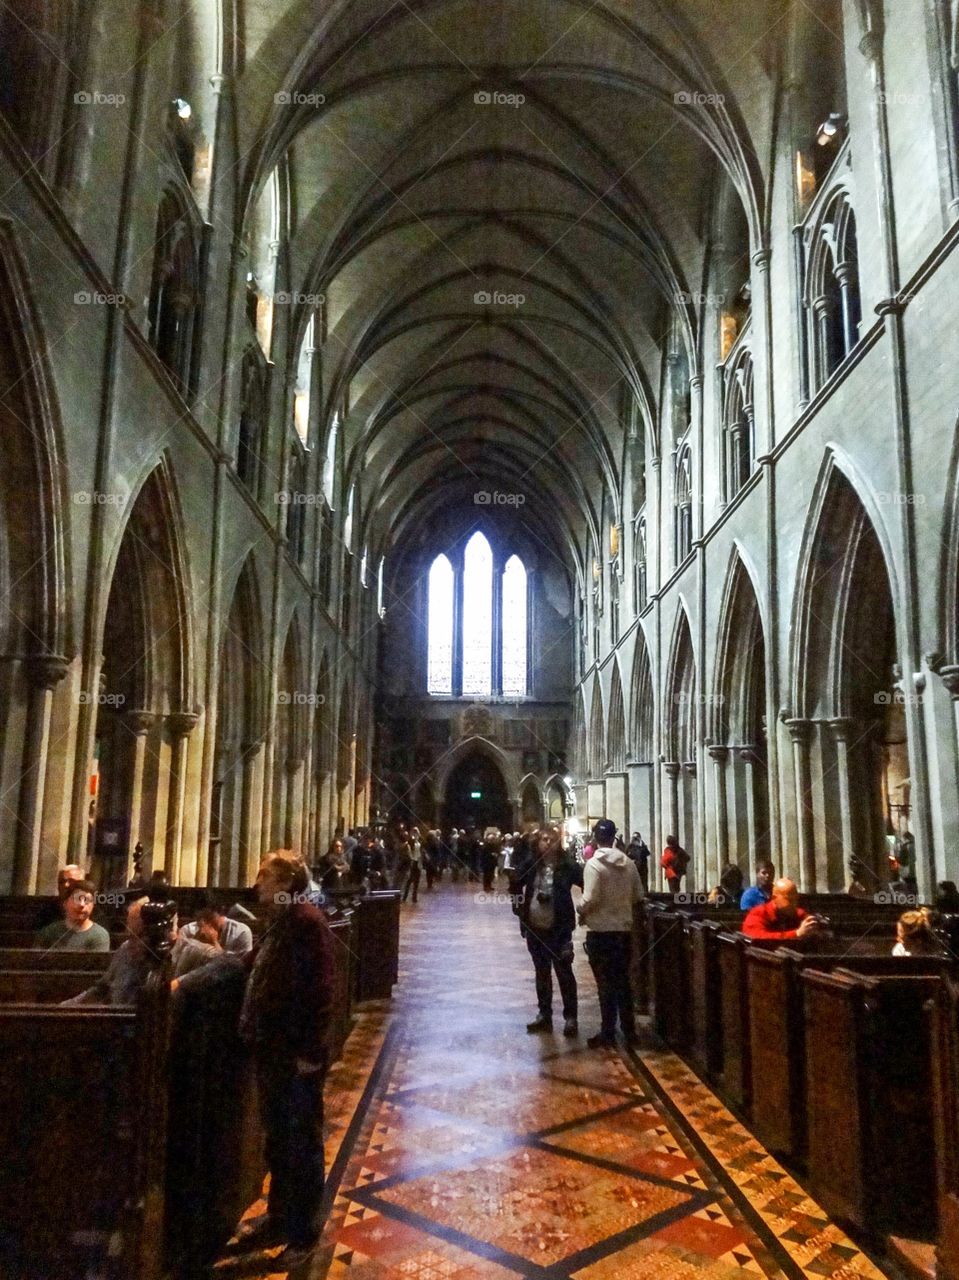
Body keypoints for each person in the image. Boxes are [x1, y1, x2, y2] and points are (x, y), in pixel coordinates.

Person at [236, 851, 335, 1268]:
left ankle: (304, 1232)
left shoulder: (307, 923)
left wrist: (310, 1053)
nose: (257, 884)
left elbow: (322, 992)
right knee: (278, 1138)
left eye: (265, 877)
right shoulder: (282, 920)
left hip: (298, 1056)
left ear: (286, 884)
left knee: (303, 1142)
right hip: (275, 1050)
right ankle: (278, 1218)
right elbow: (256, 963)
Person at [65, 897, 221, 1004]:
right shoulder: (125, 950)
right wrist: (64, 1008)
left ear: (168, 934)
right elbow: (101, 989)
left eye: (137, 936)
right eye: (129, 934)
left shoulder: (193, 953)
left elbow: (231, 965)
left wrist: (179, 984)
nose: (131, 943)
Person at [577, 818, 643, 1048]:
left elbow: (590, 897)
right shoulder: (629, 863)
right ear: (614, 837)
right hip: (623, 932)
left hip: (601, 932)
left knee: (605, 984)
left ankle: (608, 1032)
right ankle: (629, 1031)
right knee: (623, 982)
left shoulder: (594, 865)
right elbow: (638, 896)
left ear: (595, 838)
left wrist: (581, 908)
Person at [514, 825, 583, 1036]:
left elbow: (586, 883)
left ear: (558, 843)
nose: (547, 843)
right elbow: (515, 882)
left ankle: (570, 1018)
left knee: (564, 973)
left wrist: (588, 909)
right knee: (541, 972)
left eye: (551, 839)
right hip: (535, 928)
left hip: (559, 929)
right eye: (543, 839)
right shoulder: (532, 864)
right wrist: (518, 907)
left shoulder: (567, 865)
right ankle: (544, 1015)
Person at [34, 880, 110, 952]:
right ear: (65, 903)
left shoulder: (100, 935)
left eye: (87, 900)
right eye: (77, 899)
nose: (82, 905)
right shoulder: (49, 932)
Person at [741, 877, 822, 941]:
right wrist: (796, 934)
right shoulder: (758, 914)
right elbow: (759, 938)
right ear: (774, 898)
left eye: (796, 900)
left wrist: (812, 928)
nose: (794, 904)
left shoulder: (797, 913)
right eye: (789, 900)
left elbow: (807, 920)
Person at [181, 891, 253, 954]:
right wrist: (195, 943)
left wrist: (214, 942)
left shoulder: (241, 932)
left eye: (209, 918)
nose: (204, 924)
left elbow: (239, 966)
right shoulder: (188, 930)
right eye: (199, 919)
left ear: (220, 913)